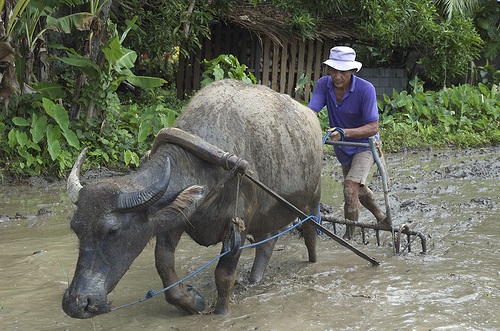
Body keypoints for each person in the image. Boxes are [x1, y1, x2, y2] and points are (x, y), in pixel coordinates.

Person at [308, 46, 389, 240]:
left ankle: (349, 237)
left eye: (342, 72)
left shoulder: (365, 89)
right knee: (358, 190)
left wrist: (344, 133)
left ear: (352, 71)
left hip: (365, 145)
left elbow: (373, 127)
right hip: (343, 148)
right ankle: (381, 217)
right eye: (333, 70)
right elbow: (312, 112)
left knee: (350, 188)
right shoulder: (323, 85)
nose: (337, 76)